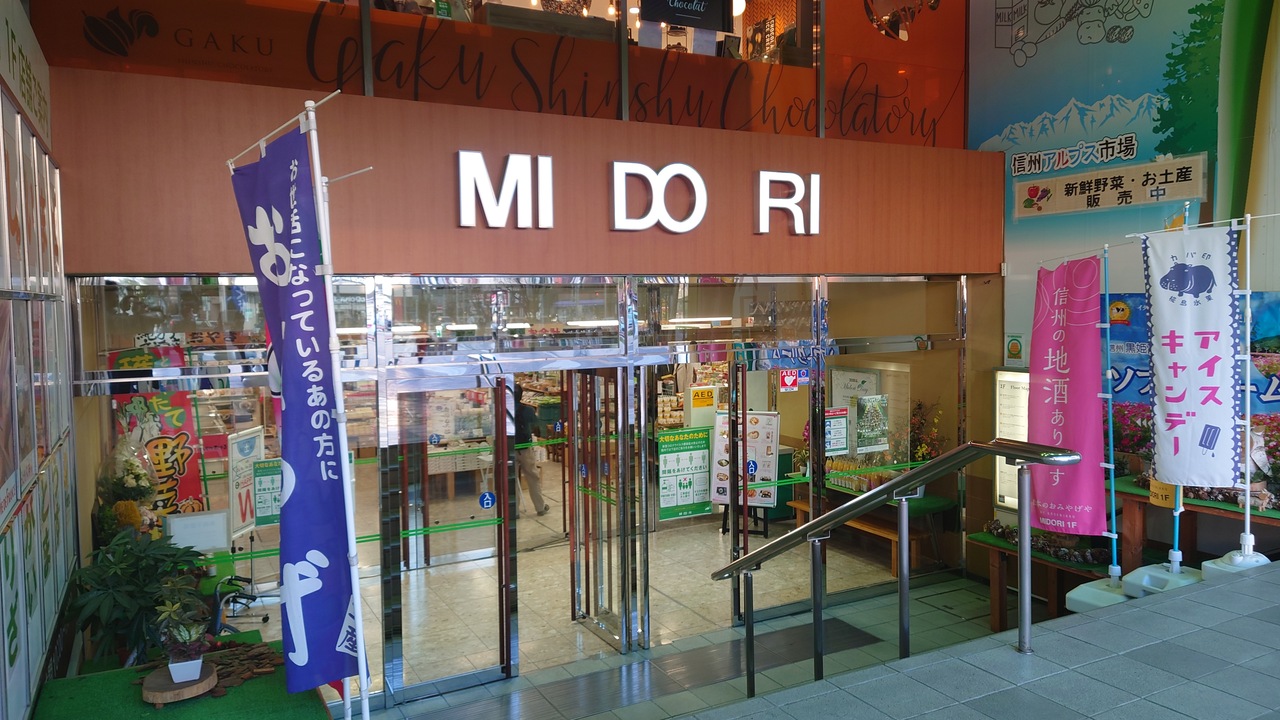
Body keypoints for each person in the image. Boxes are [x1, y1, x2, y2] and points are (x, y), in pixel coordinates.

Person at [513, 383, 550, 516]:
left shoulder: (503, 410)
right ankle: (540, 507)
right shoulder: (527, 410)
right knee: (533, 477)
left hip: (509, 449)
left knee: (511, 479)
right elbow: (536, 424)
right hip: (525, 447)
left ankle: (513, 511)